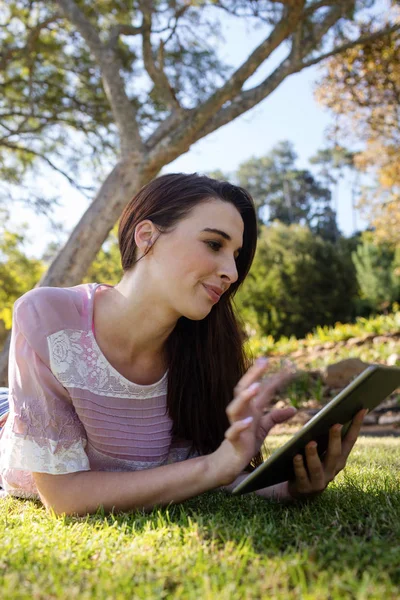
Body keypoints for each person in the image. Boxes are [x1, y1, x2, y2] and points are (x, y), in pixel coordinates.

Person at [0, 173, 367, 515]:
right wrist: (213, 467)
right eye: (213, 244)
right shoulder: (48, 316)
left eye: (236, 256)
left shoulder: (207, 350)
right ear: (146, 236)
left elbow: (210, 470)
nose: (232, 273)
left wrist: (287, 487)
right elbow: (65, 497)